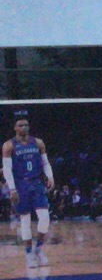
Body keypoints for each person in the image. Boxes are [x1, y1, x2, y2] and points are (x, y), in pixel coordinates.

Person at [5, 113, 56, 271]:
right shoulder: (9, 145)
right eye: (21, 125)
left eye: (26, 125)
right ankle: (29, 254)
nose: (24, 127)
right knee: (25, 220)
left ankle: (38, 249)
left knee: (45, 218)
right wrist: (12, 188)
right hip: (21, 184)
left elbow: (45, 162)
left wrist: (50, 176)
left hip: (37, 183)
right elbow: (7, 169)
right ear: (15, 128)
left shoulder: (38, 142)